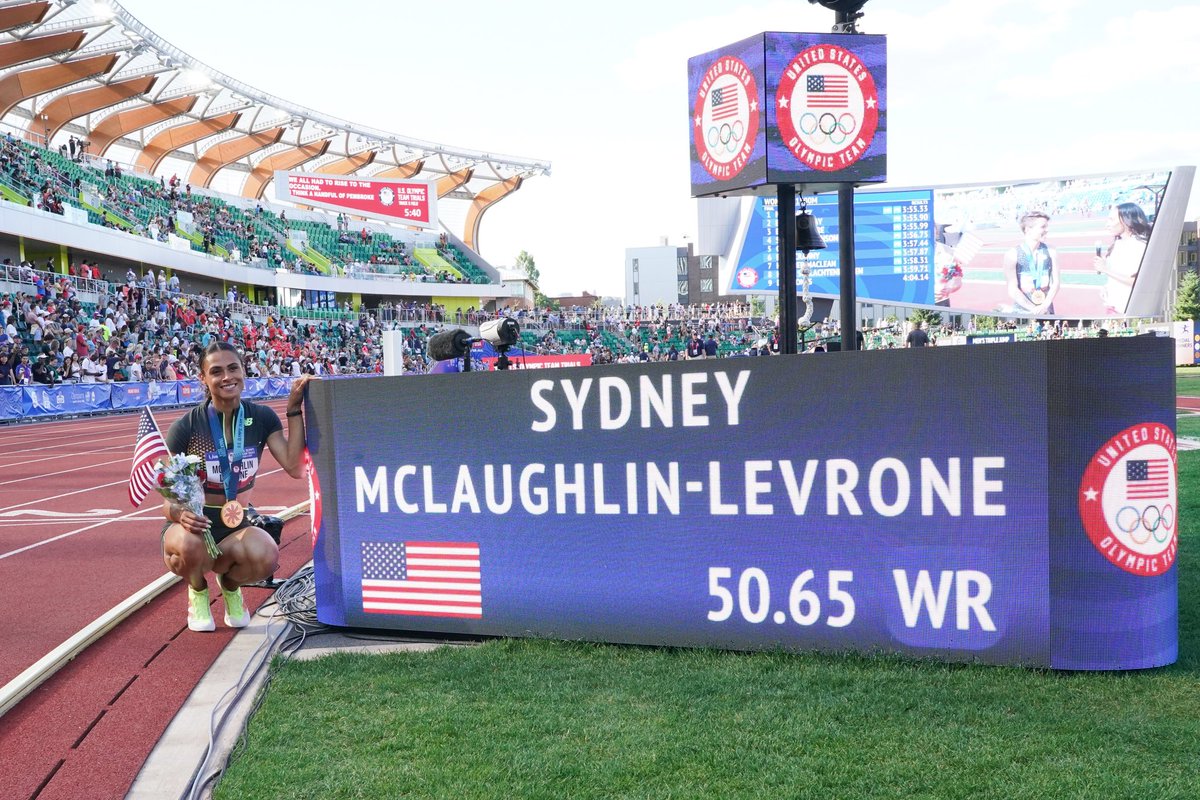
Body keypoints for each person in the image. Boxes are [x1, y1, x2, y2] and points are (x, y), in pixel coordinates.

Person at [161, 341, 313, 632]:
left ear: (244, 371)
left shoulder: (261, 418)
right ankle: (198, 590)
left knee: (267, 554)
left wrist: (293, 410)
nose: (227, 376)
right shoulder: (187, 426)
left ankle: (230, 587)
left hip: (237, 523)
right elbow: (167, 501)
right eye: (216, 371)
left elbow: (295, 468)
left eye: (233, 368)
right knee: (190, 542)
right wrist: (181, 515)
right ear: (203, 379)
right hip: (196, 525)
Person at [1094, 202, 1152, 315]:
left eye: (1111, 220)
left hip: (1128, 311)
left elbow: (1137, 282)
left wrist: (1106, 270)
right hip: (1113, 306)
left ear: (1126, 220)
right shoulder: (1118, 243)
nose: (1107, 224)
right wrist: (1107, 287)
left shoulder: (1139, 246)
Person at [1002, 212, 1060, 316]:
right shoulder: (1012, 255)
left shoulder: (1051, 251)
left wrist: (1045, 305)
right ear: (1028, 230)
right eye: (1043, 227)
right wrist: (1033, 309)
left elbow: (1056, 283)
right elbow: (1012, 289)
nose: (1047, 230)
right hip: (1022, 311)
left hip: (1046, 310)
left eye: (1047, 226)